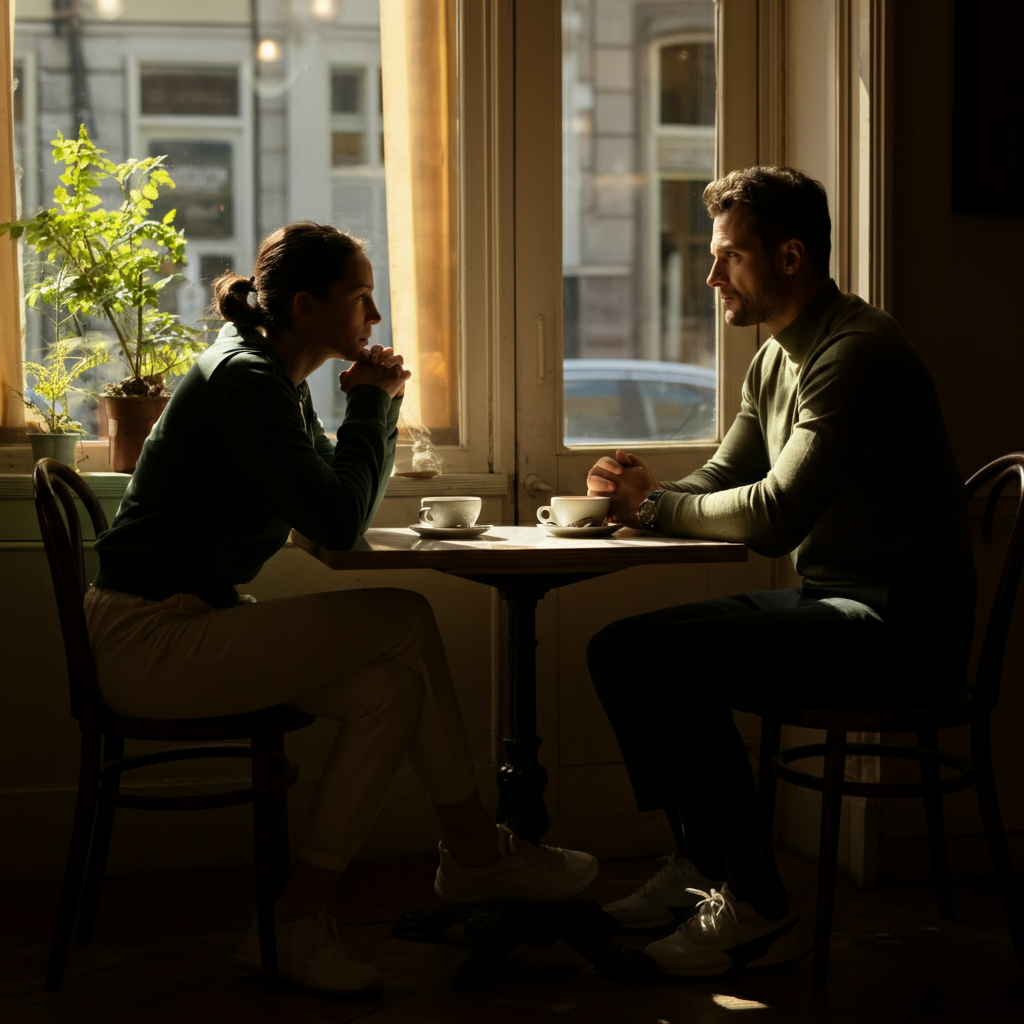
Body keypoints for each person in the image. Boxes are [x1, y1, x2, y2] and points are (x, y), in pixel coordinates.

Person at [84, 222, 597, 994]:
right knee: (405, 618)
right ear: (304, 307)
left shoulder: (272, 384)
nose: (376, 318)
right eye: (361, 298)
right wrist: (369, 407)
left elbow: (332, 501)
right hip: (149, 640)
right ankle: (478, 857)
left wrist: (375, 406)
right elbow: (336, 524)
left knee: (390, 688)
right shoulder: (250, 383)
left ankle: (295, 923)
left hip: (185, 624)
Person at [585, 167, 975, 977]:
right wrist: (632, 496)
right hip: (835, 602)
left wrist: (656, 511)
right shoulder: (775, 360)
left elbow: (772, 516)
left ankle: (760, 903)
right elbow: (725, 478)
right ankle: (703, 863)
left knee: (663, 660)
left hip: (905, 625)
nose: (710, 274)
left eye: (728, 255)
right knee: (617, 648)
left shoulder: (855, 352)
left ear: (791, 256)